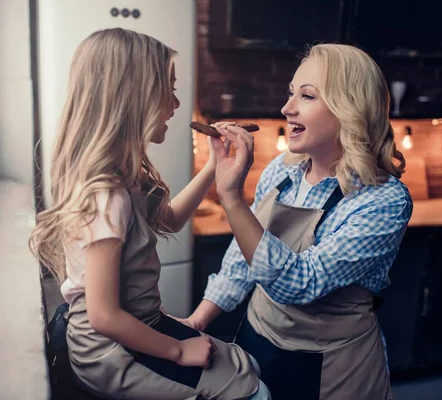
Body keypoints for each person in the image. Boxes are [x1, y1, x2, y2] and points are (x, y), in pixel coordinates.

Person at [28, 28, 271, 400]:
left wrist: (213, 165)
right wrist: (178, 350)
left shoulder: (126, 179)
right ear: (133, 97)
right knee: (250, 389)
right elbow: (104, 316)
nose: (176, 104)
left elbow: (169, 219)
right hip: (108, 351)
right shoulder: (106, 195)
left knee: (245, 364)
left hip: (137, 326)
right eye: (168, 90)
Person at [183, 44, 413, 399]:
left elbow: (297, 283)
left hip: (332, 367)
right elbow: (242, 259)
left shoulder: (383, 201)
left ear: (349, 108)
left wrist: (231, 199)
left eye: (306, 96)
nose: (286, 108)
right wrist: (197, 320)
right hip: (256, 342)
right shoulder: (280, 171)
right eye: (291, 93)